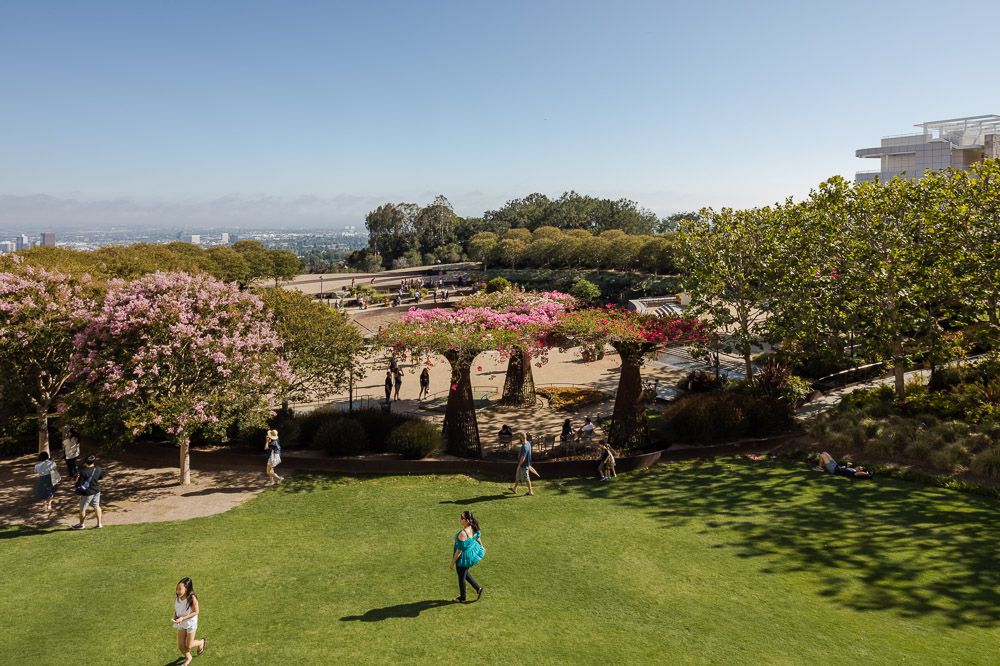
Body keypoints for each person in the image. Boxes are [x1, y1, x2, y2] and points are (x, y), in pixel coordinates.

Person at [449, 510, 485, 603]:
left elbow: (459, 551)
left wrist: (453, 562)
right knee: (464, 573)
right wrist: (481, 546)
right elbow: (478, 537)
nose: (460, 519)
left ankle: (462, 598)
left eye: (462, 518)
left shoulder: (463, 534)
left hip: (464, 557)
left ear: (467, 521)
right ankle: (478, 589)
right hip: (472, 553)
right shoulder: (473, 527)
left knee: (461, 577)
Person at [172, 577, 206, 665]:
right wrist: (175, 617)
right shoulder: (177, 599)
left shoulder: (192, 598)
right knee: (181, 646)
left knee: (189, 645)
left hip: (191, 624)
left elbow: (196, 611)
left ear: (186, 589)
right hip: (181, 623)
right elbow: (177, 609)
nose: (177, 591)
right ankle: (188, 658)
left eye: (180, 589)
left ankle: (201, 642)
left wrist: (182, 618)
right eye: (177, 589)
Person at [72, 454, 103, 530]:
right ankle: (99, 523)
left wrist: (77, 479)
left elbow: (78, 484)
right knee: (96, 506)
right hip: (96, 490)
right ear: (93, 461)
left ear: (85, 463)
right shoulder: (98, 468)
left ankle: (81, 525)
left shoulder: (84, 472)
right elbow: (100, 477)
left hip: (87, 492)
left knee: (82, 508)